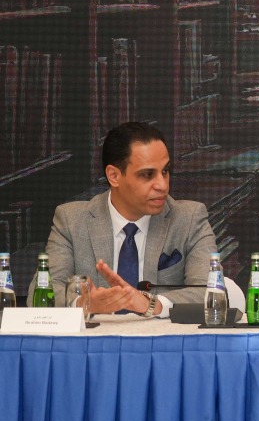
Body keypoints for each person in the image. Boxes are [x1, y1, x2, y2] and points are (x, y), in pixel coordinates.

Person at [33, 121, 236, 317]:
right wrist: (85, 304)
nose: (162, 185)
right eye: (148, 175)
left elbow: (210, 291)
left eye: (165, 171)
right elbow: (41, 292)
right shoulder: (71, 220)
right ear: (114, 176)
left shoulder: (190, 218)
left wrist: (150, 304)